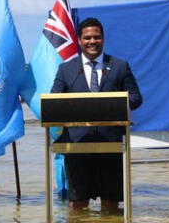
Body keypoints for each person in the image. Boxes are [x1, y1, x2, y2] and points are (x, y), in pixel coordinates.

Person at [51, 17, 142, 212]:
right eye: (88, 38)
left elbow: (136, 97)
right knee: (78, 204)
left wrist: (115, 104)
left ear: (103, 39)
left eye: (97, 37)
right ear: (79, 40)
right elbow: (53, 100)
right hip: (76, 146)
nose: (92, 41)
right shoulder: (66, 70)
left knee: (110, 204)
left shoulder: (120, 66)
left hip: (111, 145)